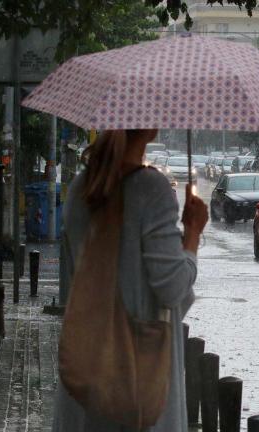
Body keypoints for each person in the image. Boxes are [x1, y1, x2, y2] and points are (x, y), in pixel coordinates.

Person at [53, 129, 208, 431]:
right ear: (147, 126)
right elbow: (173, 289)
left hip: (84, 376)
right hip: (137, 381)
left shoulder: (80, 187)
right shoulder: (150, 188)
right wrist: (191, 234)